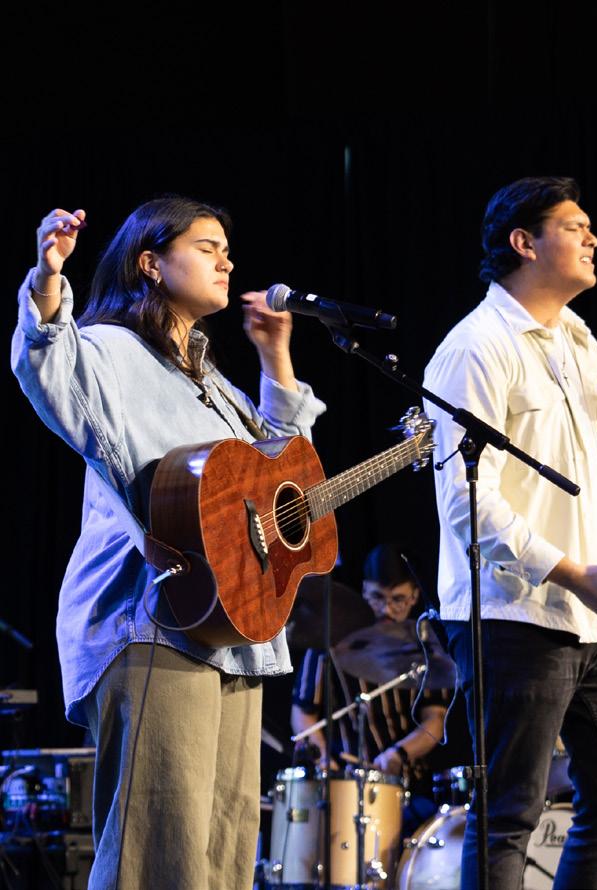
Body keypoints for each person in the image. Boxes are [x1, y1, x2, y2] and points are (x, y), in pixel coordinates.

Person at [11, 200, 326, 890]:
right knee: (159, 856)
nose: (227, 261)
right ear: (151, 263)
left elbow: (283, 475)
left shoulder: (210, 380)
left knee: (221, 853)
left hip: (233, 630)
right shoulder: (112, 350)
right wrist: (48, 276)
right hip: (153, 619)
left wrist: (276, 358)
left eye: (228, 249)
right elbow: (48, 364)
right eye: (207, 246)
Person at [423, 176, 597, 889]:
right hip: (517, 615)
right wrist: (569, 572)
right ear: (524, 242)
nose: (592, 238)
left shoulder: (580, 338)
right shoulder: (475, 347)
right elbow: (466, 505)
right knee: (509, 815)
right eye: (575, 227)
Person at [290, 544, 451, 832]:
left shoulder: (424, 651)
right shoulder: (330, 645)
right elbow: (303, 715)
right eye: (377, 597)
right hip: (345, 786)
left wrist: (398, 754)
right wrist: (324, 759)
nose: (387, 609)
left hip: (408, 786)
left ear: (414, 596)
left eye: (398, 599)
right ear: (364, 591)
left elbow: (435, 722)